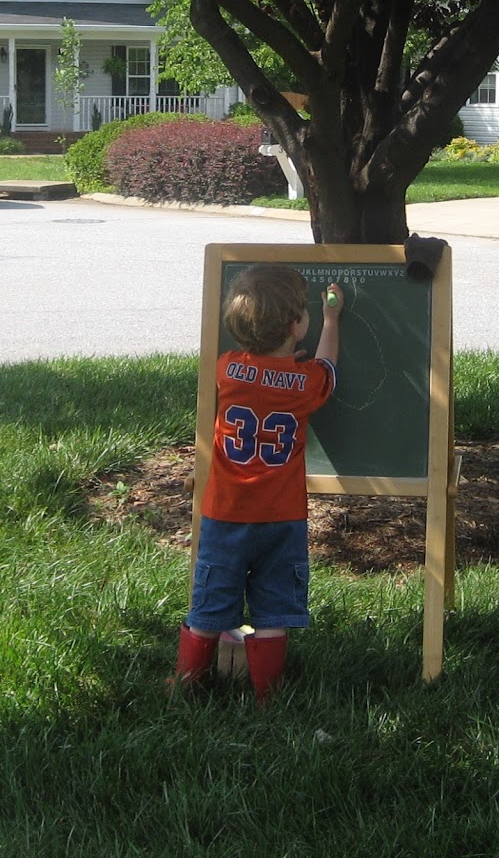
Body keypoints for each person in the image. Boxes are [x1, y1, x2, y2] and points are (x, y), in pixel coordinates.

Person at [171, 263, 343, 702]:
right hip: (281, 518)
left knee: (210, 601)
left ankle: (187, 683)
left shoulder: (226, 369)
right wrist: (332, 319)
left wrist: (275, 357)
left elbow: (259, 371)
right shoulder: (305, 383)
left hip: (225, 512)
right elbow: (328, 367)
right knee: (273, 607)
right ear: (295, 326)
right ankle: (269, 693)